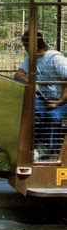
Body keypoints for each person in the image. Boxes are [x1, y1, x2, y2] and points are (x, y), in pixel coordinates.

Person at [14, 30, 67, 159]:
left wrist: (58, 102)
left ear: (35, 45)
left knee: (53, 117)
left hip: (62, 100)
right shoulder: (31, 59)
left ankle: (50, 150)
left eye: (26, 46)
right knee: (29, 113)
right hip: (43, 99)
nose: (25, 49)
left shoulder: (55, 58)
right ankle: (32, 146)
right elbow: (18, 74)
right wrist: (32, 82)